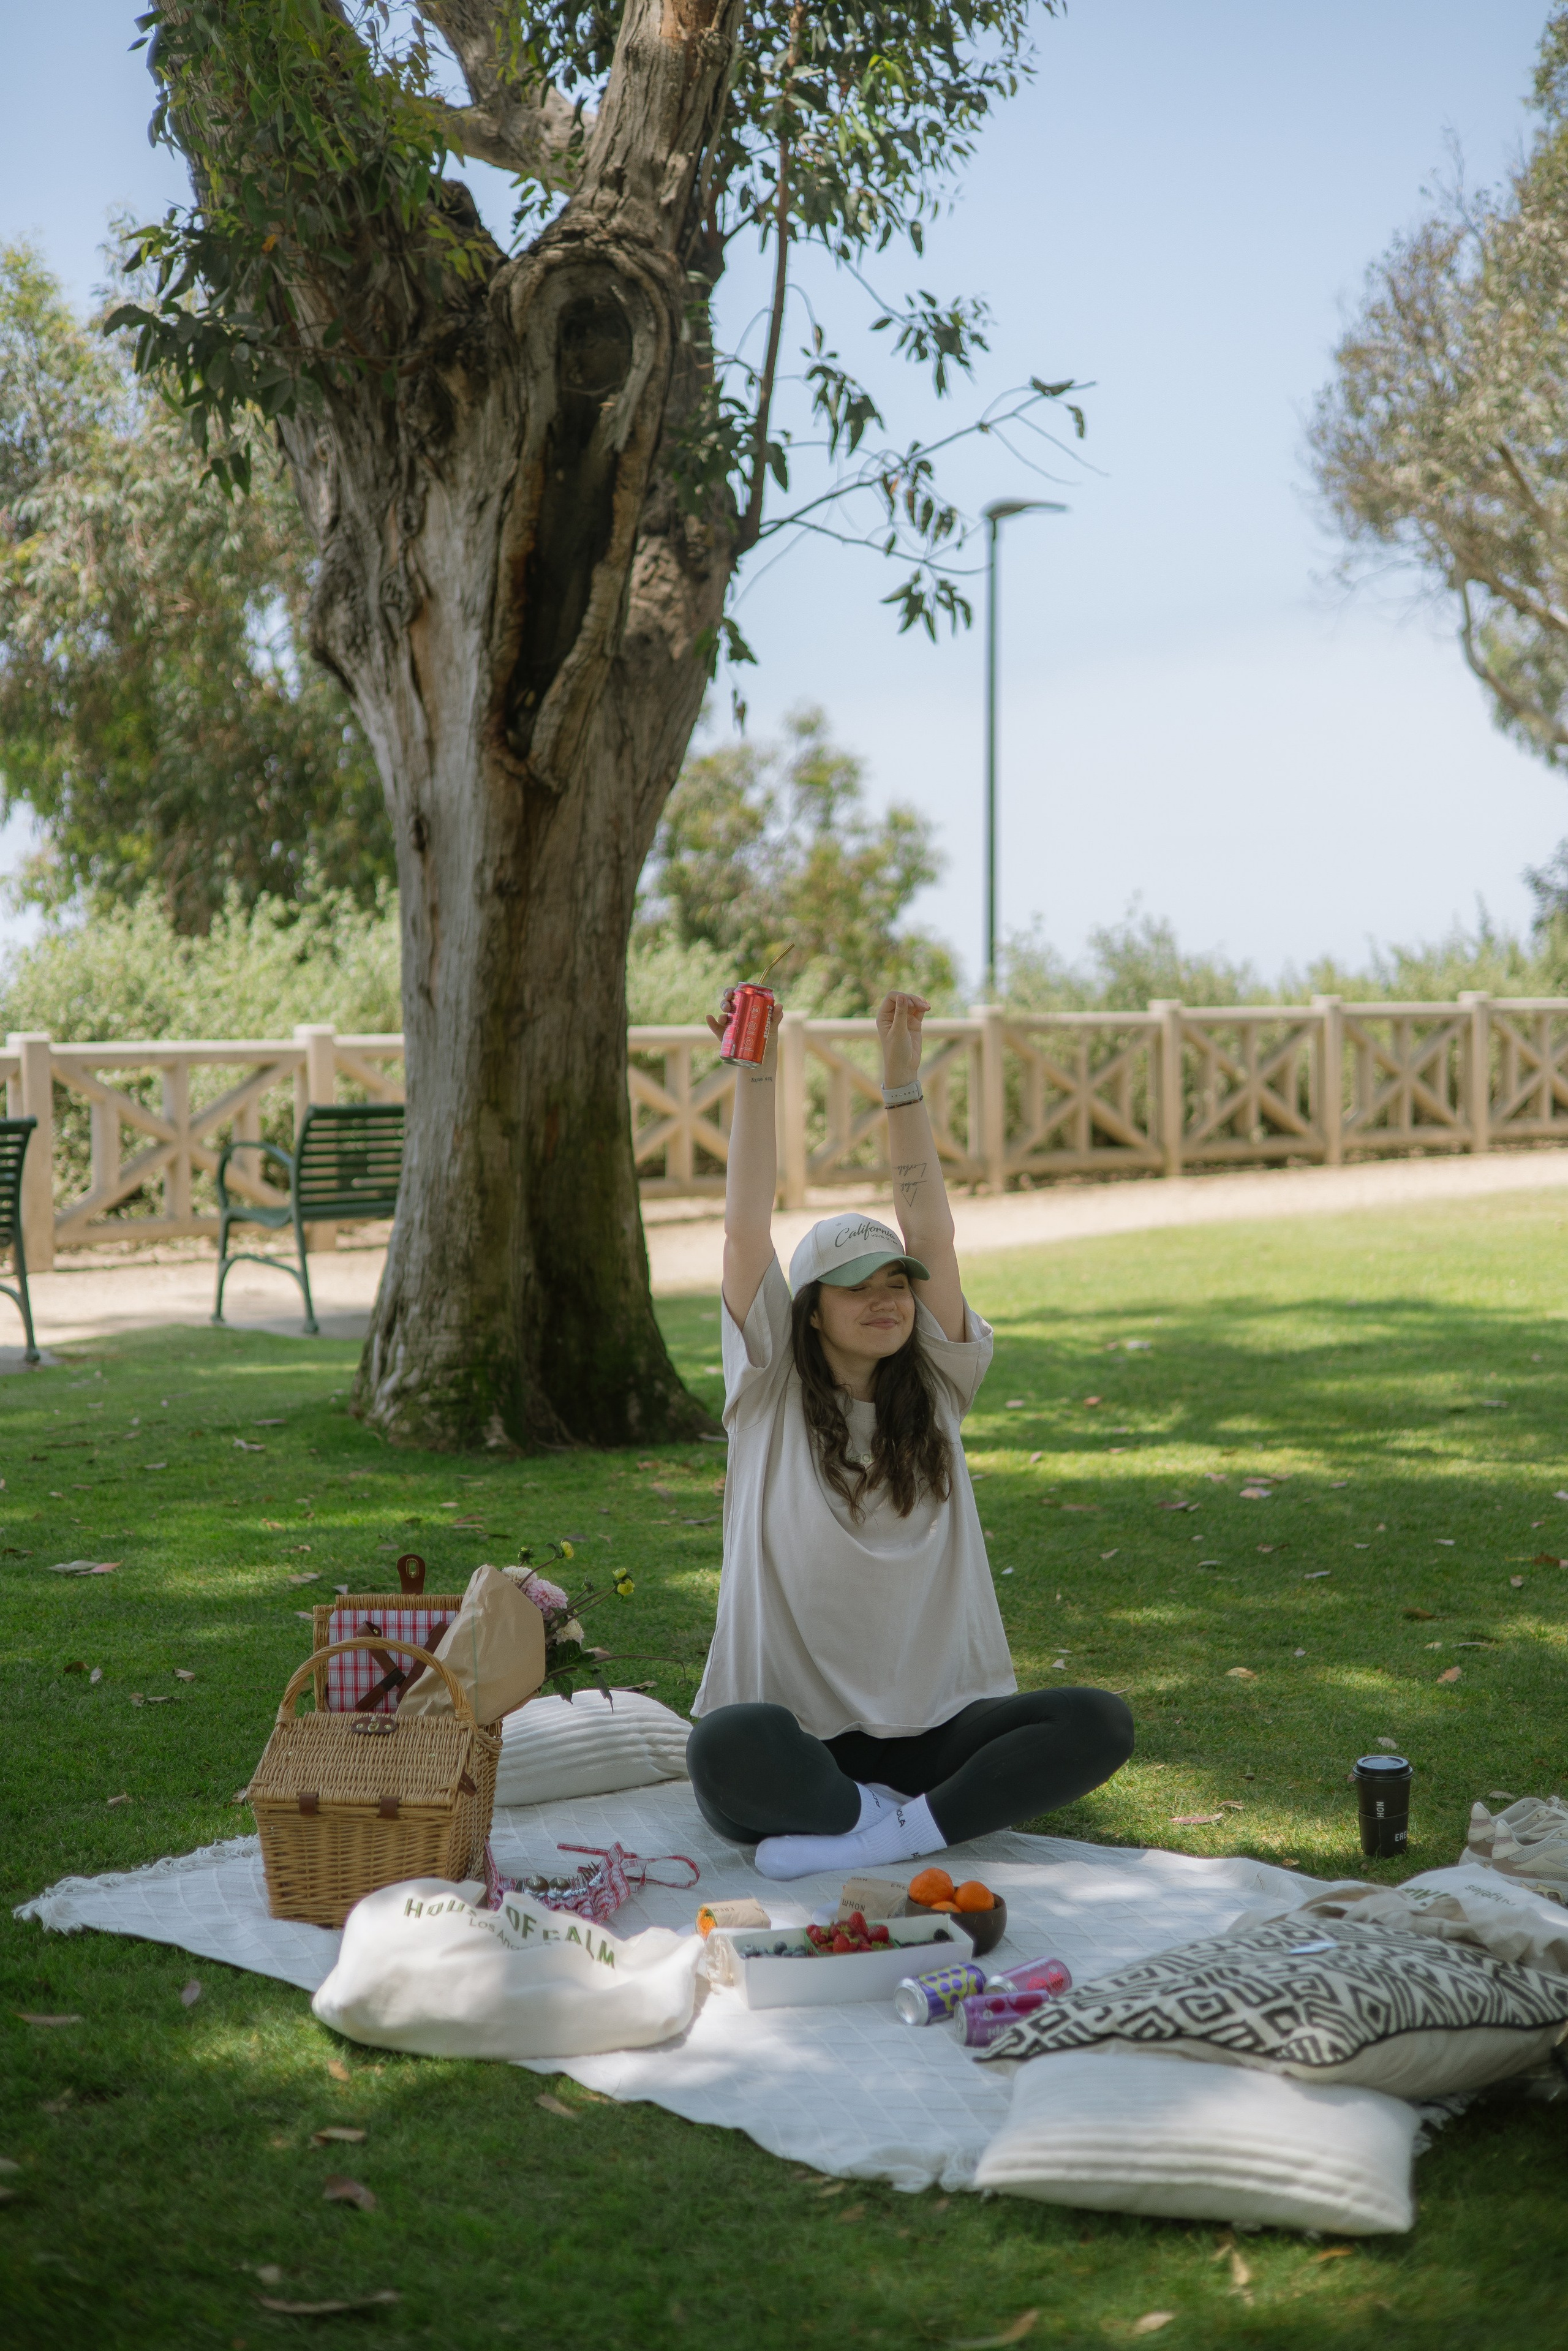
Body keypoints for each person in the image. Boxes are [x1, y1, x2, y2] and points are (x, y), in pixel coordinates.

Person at [687, 984, 1133, 1880]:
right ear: (811, 1312)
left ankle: (896, 1832)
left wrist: (902, 1085)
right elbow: (743, 1228)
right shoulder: (766, 1389)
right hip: (799, 1740)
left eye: (897, 1281)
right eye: (860, 1286)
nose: (888, 1298)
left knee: (1097, 1723)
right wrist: (754, 1073)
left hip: (933, 1733)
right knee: (727, 1745)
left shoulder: (936, 1382)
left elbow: (932, 1222)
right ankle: (870, 1819)